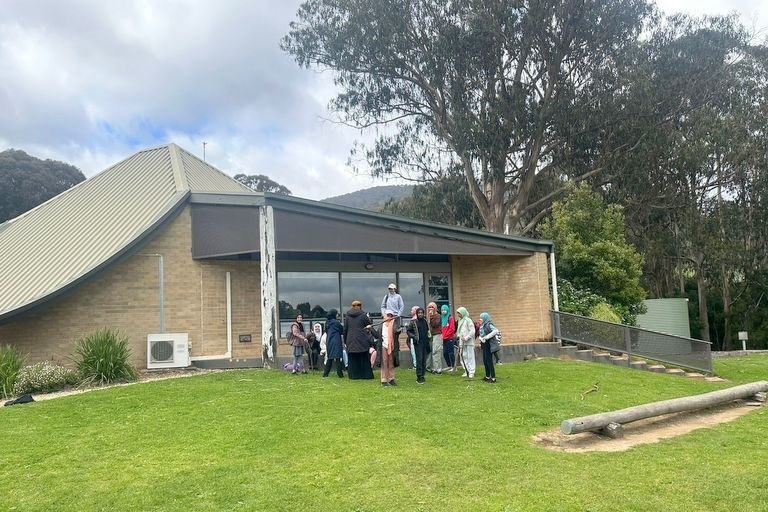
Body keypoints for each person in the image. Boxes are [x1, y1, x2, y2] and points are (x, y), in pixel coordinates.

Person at [343, 300, 375, 380]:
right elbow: (368, 326)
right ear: (360, 306)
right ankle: (365, 375)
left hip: (350, 339)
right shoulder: (363, 315)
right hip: (362, 339)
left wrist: (345, 340)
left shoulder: (347, 316)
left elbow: (345, 329)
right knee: (364, 358)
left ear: (352, 306)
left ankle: (354, 375)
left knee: (353, 359)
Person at [406, 307, 432, 384]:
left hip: (425, 343)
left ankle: (423, 375)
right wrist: (414, 336)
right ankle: (419, 377)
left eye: (421, 313)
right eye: (419, 313)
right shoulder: (413, 322)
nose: (420, 314)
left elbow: (427, 331)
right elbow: (408, 331)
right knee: (419, 360)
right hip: (418, 343)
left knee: (424, 360)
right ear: (417, 314)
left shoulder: (425, 321)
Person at [380, 283, 404, 360]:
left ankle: (395, 349)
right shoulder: (386, 296)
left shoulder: (398, 297)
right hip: (388, 317)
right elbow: (383, 306)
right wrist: (384, 315)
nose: (390, 290)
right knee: (387, 333)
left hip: (396, 317)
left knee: (395, 333)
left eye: (392, 288)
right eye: (389, 288)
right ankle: (388, 347)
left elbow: (401, 306)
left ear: (395, 289)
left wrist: (398, 314)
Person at [322, 309, 345, 378]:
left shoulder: (327, 322)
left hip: (329, 340)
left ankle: (325, 374)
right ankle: (340, 373)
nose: (338, 315)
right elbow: (342, 330)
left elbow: (326, 331)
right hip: (336, 340)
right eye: (337, 314)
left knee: (330, 357)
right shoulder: (336, 322)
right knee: (338, 357)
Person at [478, 312, 500, 383]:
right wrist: (481, 338)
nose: (480, 319)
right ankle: (487, 376)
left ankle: (493, 378)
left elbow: (495, 330)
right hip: (484, 344)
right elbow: (481, 334)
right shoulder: (482, 325)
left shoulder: (488, 324)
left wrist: (486, 337)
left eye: (481, 318)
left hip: (488, 344)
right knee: (485, 361)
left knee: (489, 361)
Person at [455, 307, 476, 379]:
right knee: (463, 356)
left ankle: (471, 371)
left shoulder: (468, 320)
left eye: (459, 313)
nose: (458, 314)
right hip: (462, 342)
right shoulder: (460, 320)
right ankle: (466, 370)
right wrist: (459, 336)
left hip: (469, 342)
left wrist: (466, 337)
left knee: (470, 356)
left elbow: (472, 331)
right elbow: (460, 331)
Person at [379, 312, 398, 387]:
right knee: (384, 362)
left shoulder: (394, 324)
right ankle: (383, 379)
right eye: (387, 315)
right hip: (384, 346)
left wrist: (397, 332)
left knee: (391, 362)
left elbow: (396, 332)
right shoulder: (381, 325)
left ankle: (391, 379)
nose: (389, 317)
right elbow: (377, 335)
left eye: (390, 315)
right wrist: (370, 329)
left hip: (392, 346)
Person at [426, 302, 443, 374]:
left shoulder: (438, 316)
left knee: (436, 351)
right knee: (431, 352)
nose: (431, 309)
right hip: (430, 336)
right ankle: (431, 367)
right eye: (429, 307)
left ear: (435, 308)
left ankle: (438, 369)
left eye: (432, 307)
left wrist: (431, 316)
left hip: (437, 334)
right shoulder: (427, 317)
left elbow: (435, 324)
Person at [441, 304, 456, 371]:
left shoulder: (450, 318)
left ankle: (454, 367)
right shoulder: (442, 318)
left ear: (447, 310)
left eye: (444, 310)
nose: (443, 311)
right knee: (445, 353)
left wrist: (446, 335)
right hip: (444, 339)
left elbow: (452, 329)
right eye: (442, 310)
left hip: (449, 338)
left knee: (451, 353)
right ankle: (449, 365)